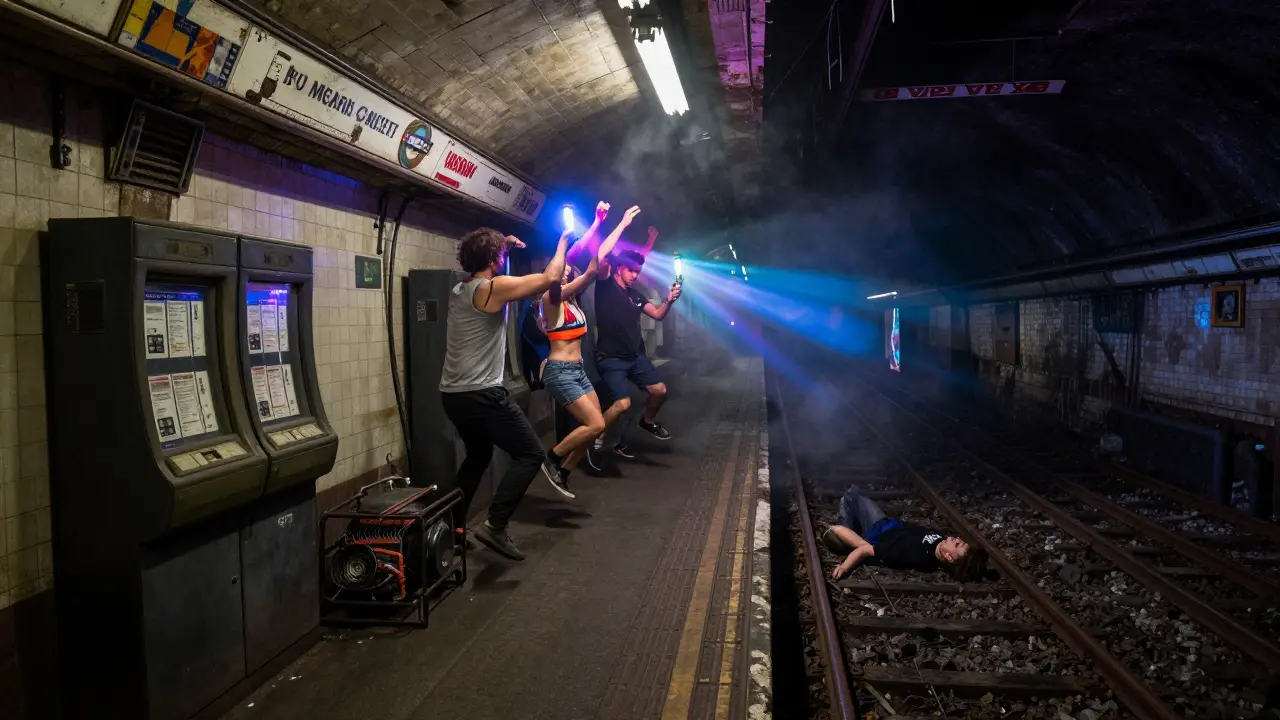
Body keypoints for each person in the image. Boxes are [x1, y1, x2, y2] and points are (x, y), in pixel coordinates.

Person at [439, 227, 570, 561]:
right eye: (499, 256)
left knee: (478, 455)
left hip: (453, 396)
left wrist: (503, 247)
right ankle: (495, 525)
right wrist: (563, 242)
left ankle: (453, 532)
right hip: (482, 395)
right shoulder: (491, 289)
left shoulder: (460, 288)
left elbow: (489, 267)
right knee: (530, 454)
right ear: (494, 261)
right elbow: (550, 277)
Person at [538, 202, 639, 491]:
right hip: (560, 372)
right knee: (594, 425)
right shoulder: (550, 299)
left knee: (598, 426)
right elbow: (592, 265)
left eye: (568, 270)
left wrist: (598, 223)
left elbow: (584, 255)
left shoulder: (572, 302)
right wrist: (620, 226)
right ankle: (551, 458)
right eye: (561, 270)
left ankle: (564, 471)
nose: (566, 272)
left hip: (578, 371)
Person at [589, 236, 682, 465]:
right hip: (611, 358)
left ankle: (647, 422)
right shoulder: (605, 285)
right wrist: (623, 225)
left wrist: (669, 301)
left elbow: (658, 314)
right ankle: (593, 441)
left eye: (637, 272)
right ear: (619, 268)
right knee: (622, 404)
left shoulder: (636, 295)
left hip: (635, 357)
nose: (634, 275)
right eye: (630, 271)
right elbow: (601, 256)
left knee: (660, 391)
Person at [822, 484, 988, 581]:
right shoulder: (940, 544)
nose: (955, 538)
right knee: (854, 491)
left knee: (848, 501)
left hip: (876, 533)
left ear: (949, 557)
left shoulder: (913, 554)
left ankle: (844, 535)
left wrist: (844, 567)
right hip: (886, 524)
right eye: (960, 541)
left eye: (957, 544)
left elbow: (865, 549)